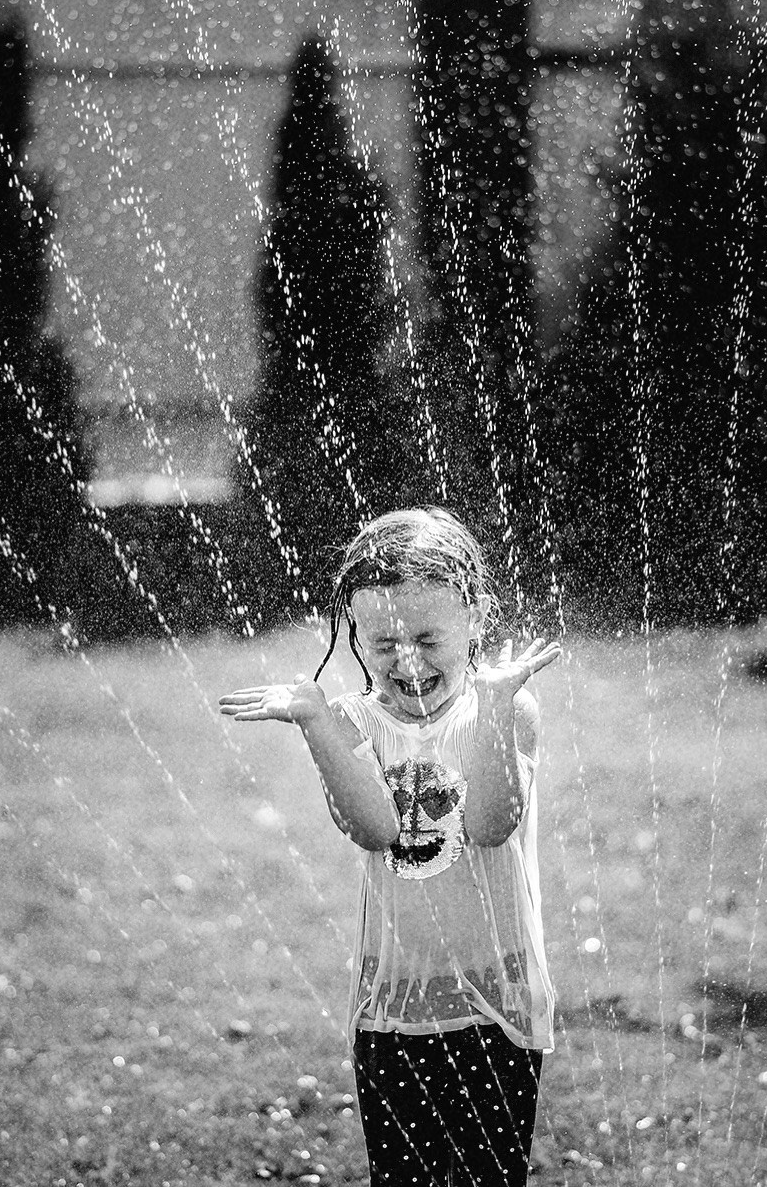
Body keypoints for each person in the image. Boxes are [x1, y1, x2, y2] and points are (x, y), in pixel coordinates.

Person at [219, 508, 559, 1186]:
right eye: (383, 644)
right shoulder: (352, 723)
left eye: (429, 638)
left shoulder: (505, 709)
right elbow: (377, 830)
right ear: (354, 634)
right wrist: (315, 721)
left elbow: (492, 825)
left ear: (477, 619)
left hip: (499, 998)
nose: (407, 661)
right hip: (393, 1005)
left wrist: (492, 710)